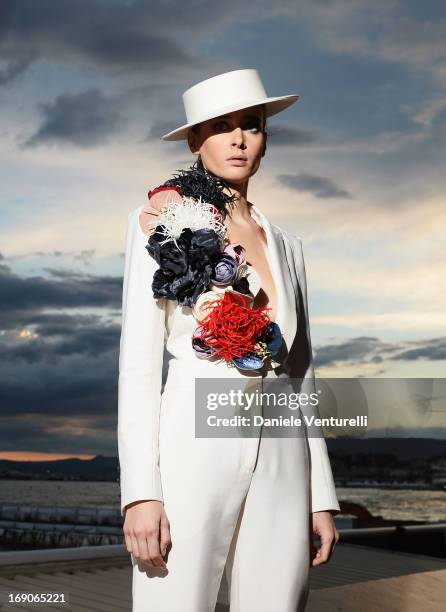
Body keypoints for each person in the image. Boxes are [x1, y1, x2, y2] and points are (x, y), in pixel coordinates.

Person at [118, 68, 340, 612]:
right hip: (194, 449)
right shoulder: (160, 222)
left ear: (265, 137)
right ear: (196, 139)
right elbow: (140, 369)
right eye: (222, 127)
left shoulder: (288, 245)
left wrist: (320, 497)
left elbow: (300, 374)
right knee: (172, 603)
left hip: (285, 459)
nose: (239, 139)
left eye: (252, 125)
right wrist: (141, 494)